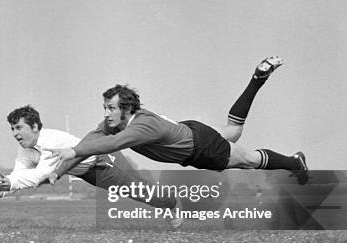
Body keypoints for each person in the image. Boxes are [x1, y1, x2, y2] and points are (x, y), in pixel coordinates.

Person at [47, 56, 309, 185]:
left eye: (110, 108)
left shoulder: (140, 127)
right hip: (190, 131)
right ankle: (256, 81)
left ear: (126, 109)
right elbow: (91, 143)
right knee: (233, 130)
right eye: (104, 108)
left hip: (199, 148)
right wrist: (59, 171)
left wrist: (73, 150)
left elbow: (111, 145)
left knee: (250, 161)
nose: (105, 114)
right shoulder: (116, 124)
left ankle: (294, 162)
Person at [0, 105, 184, 227]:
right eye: (12, 129)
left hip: (102, 162)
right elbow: (20, 173)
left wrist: (10, 184)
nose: (15, 133)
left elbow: (39, 175)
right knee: (142, 188)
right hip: (86, 172)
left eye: (19, 127)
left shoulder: (50, 141)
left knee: (140, 192)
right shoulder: (26, 149)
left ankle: (173, 202)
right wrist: (3, 189)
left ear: (35, 127)